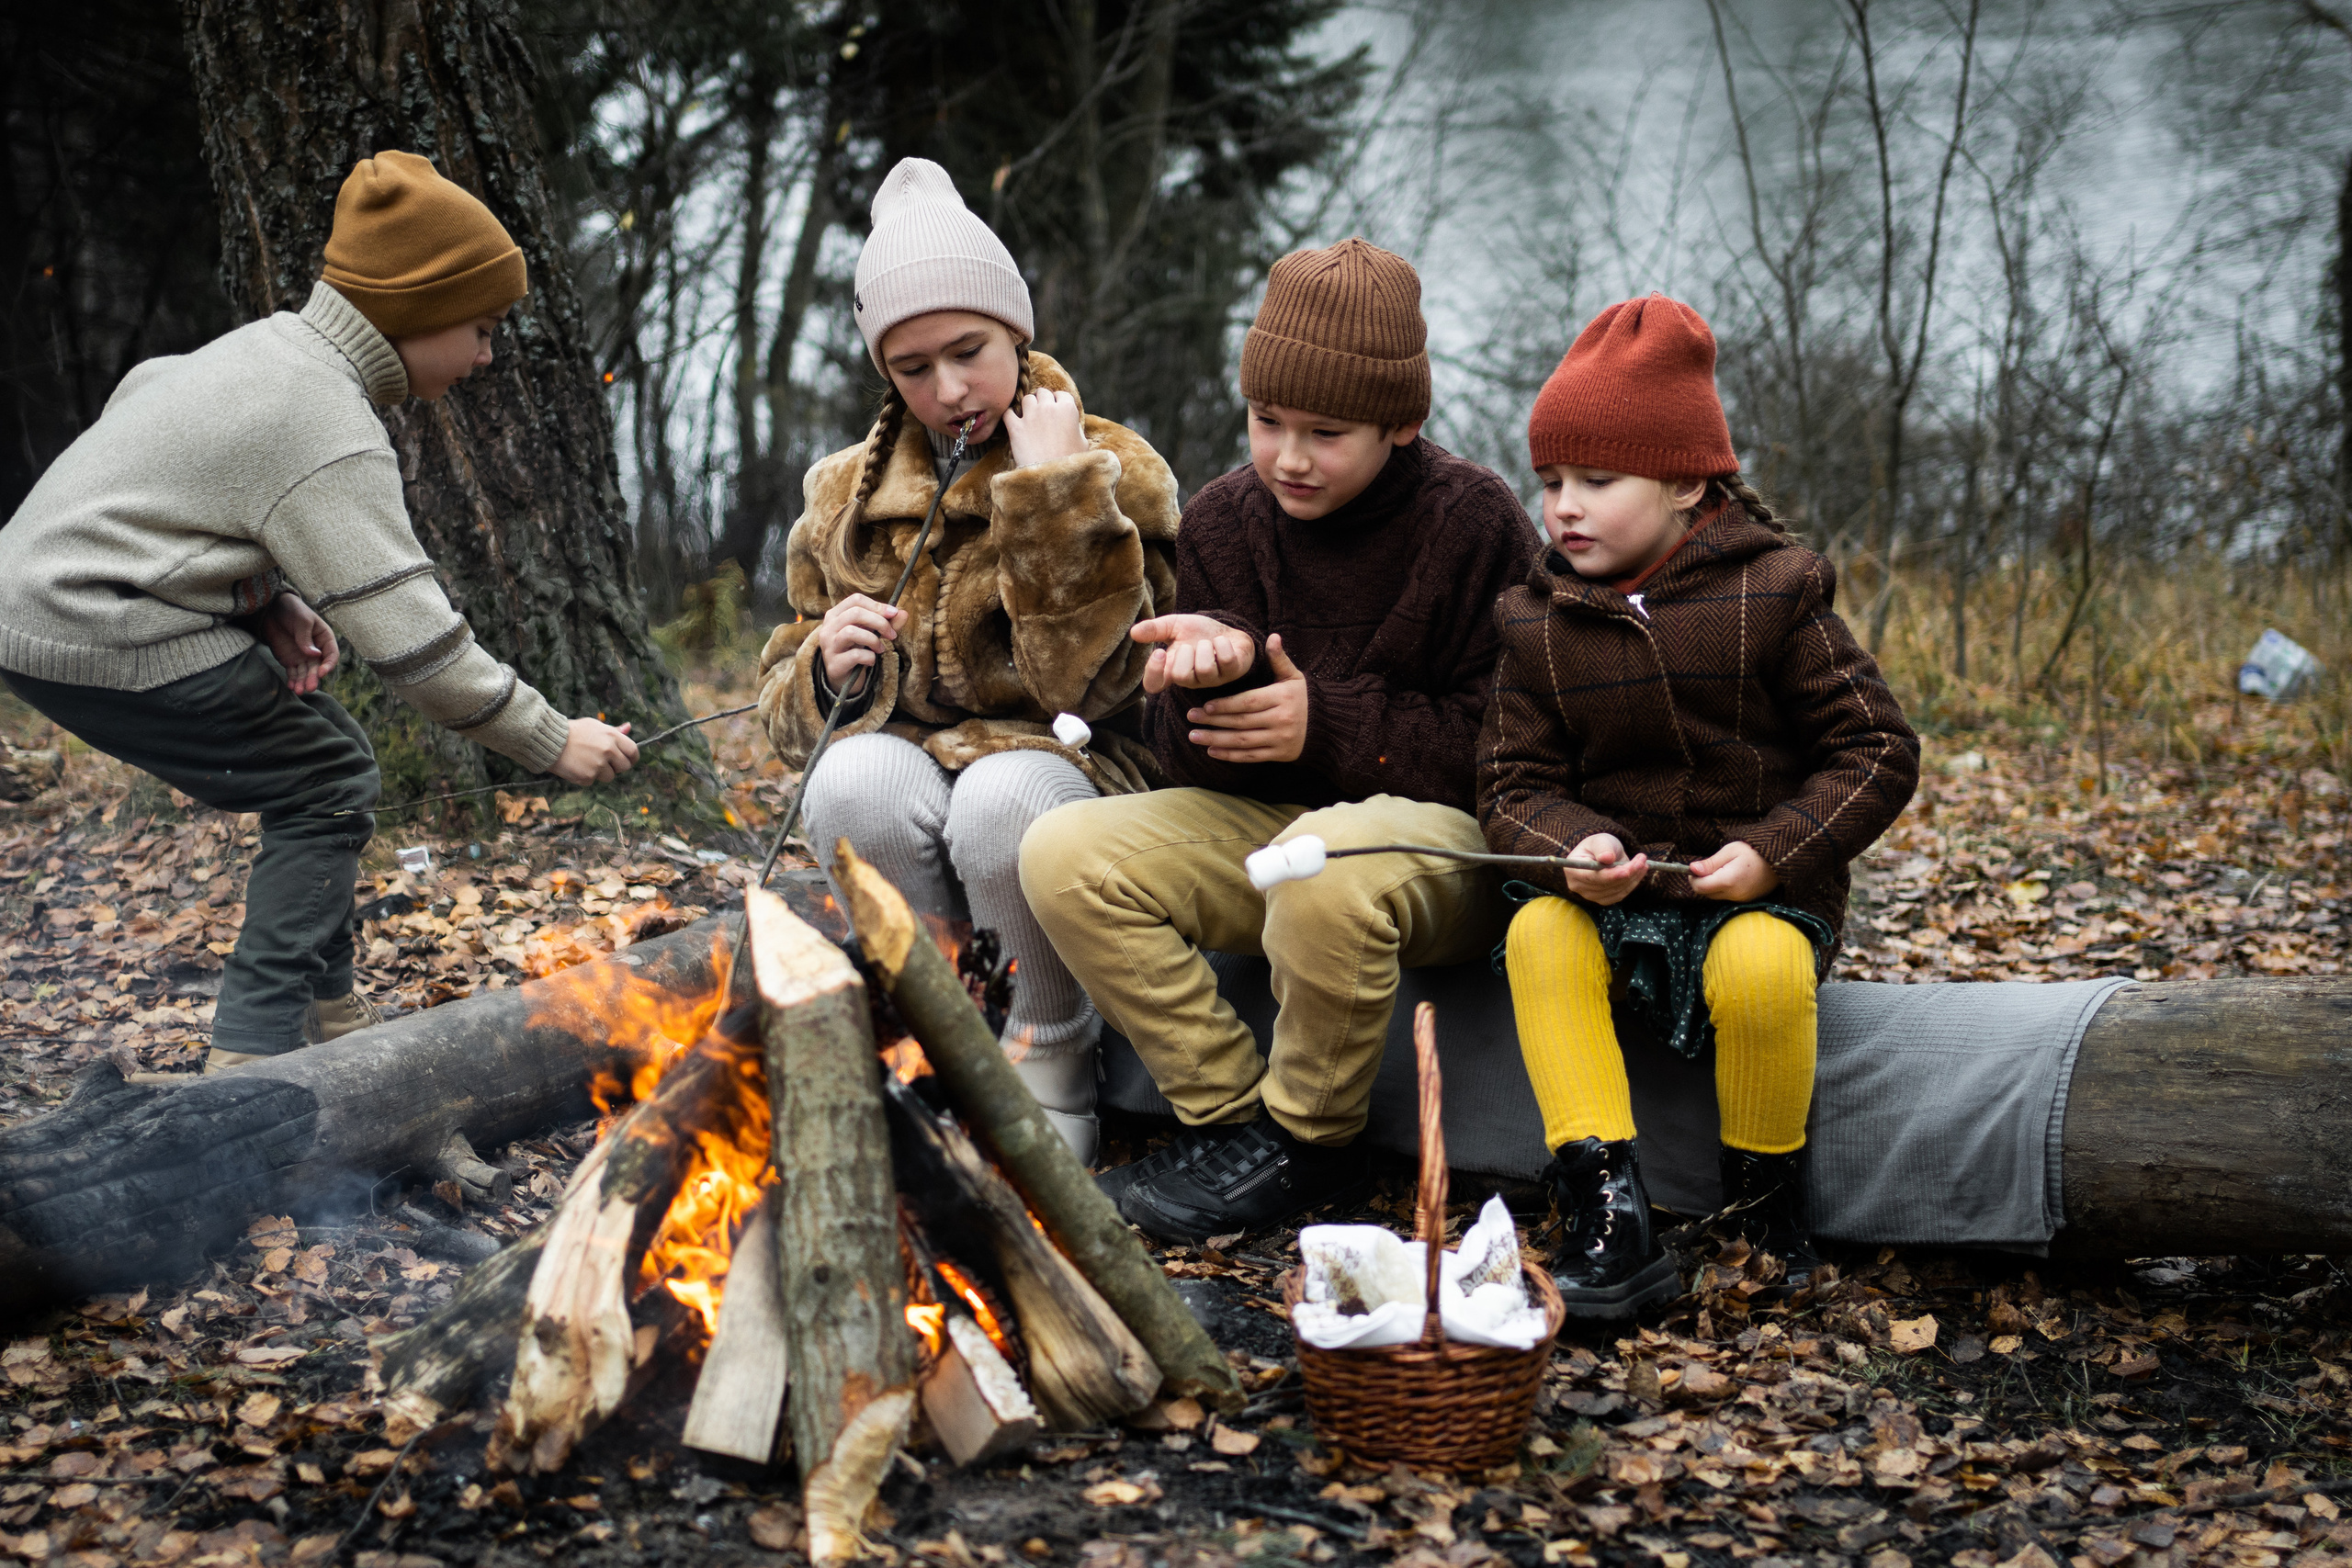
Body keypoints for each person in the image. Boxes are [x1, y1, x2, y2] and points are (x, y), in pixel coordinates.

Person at [0, 151, 639, 1074]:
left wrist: (266, 602)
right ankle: (250, 1055)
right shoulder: (327, 423)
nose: (488, 355)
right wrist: (549, 741)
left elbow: (146, 396)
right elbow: (415, 648)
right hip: (88, 618)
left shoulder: (267, 351)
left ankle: (328, 1010)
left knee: (323, 757)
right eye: (482, 327)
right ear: (416, 308)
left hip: (35, 591)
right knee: (325, 781)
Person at [1021, 238, 1537, 1239]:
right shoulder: (1223, 521)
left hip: (1440, 851)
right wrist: (1209, 690)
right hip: (1277, 826)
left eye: (1326, 432)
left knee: (1324, 862)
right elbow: (1185, 761)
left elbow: (1513, 747)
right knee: (1063, 851)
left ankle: (1313, 1144)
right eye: (1267, 423)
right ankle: (1235, 1122)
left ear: (1403, 422)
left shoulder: (1473, 522)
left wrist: (1323, 718)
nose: (1289, 458)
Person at [1480, 294, 1920, 1316]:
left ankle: (1762, 1201)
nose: (1563, 508)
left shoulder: (1776, 593)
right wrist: (1567, 849)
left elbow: (1875, 747)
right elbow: (1509, 785)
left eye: (1596, 481)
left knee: (1759, 968)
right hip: (1613, 895)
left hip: (1754, 889)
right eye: (1548, 482)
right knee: (1540, 932)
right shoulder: (1533, 620)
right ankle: (1605, 1201)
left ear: (1687, 481)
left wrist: (1774, 852)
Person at [756, 158, 1178, 1163]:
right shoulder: (838, 499)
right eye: (912, 368)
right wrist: (822, 668)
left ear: (1017, 334)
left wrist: (1058, 499)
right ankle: (941, 1036)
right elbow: (781, 715)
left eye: (969, 352)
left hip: (1071, 765)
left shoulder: (1115, 463)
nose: (949, 391)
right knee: (851, 783)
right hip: (911, 768)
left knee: (1001, 801)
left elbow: (1108, 684)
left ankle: (1049, 1054)